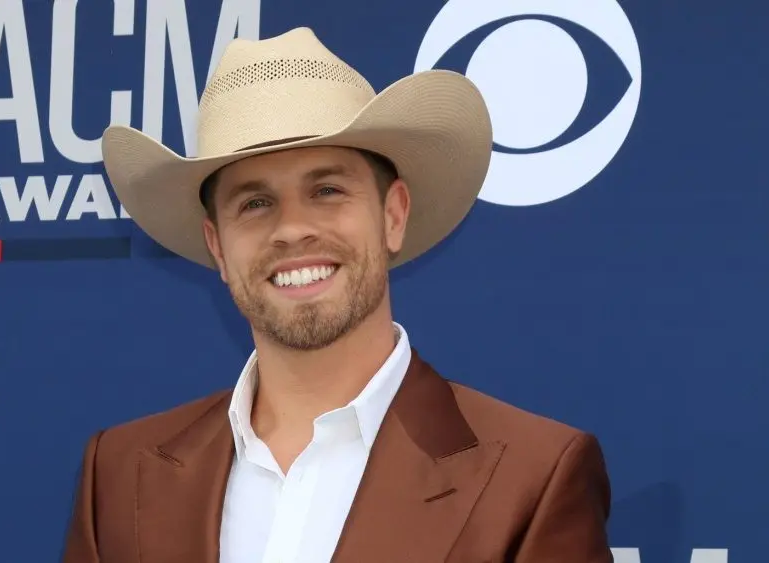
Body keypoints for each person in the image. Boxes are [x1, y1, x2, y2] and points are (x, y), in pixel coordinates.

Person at [61, 27, 613, 563]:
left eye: (326, 190)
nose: (292, 229)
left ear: (393, 216)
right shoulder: (118, 472)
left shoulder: (533, 477)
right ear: (218, 248)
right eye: (254, 203)